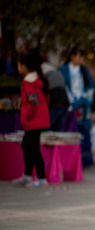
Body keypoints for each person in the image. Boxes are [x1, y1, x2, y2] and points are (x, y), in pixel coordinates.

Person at [12, 53, 50, 188]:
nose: (18, 67)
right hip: (39, 120)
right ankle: (28, 175)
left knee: (33, 149)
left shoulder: (29, 83)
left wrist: (25, 118)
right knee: (27, 146)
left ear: (24, 66)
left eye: (18, 64)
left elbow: (32, 102)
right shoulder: (39, 81)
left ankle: (41, 179)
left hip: (34, 121)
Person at [60, 48, 95, 167]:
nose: (82, 59)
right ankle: (69, 161)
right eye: (80, 56)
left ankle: (84, 161)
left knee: (83, 132)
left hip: (83, 107)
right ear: (72, 56)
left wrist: (84, 99)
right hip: (70, 106)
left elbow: (90, 86)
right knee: (71, 132)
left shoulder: (83, 70)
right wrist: (73, 101)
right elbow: (64, 87)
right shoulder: (63, 70)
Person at [41, 61, 70, 131]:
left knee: (46, 127)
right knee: (58, 131)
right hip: (65, 103)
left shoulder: (43, 72)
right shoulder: (56, 71)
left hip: (56, 103)